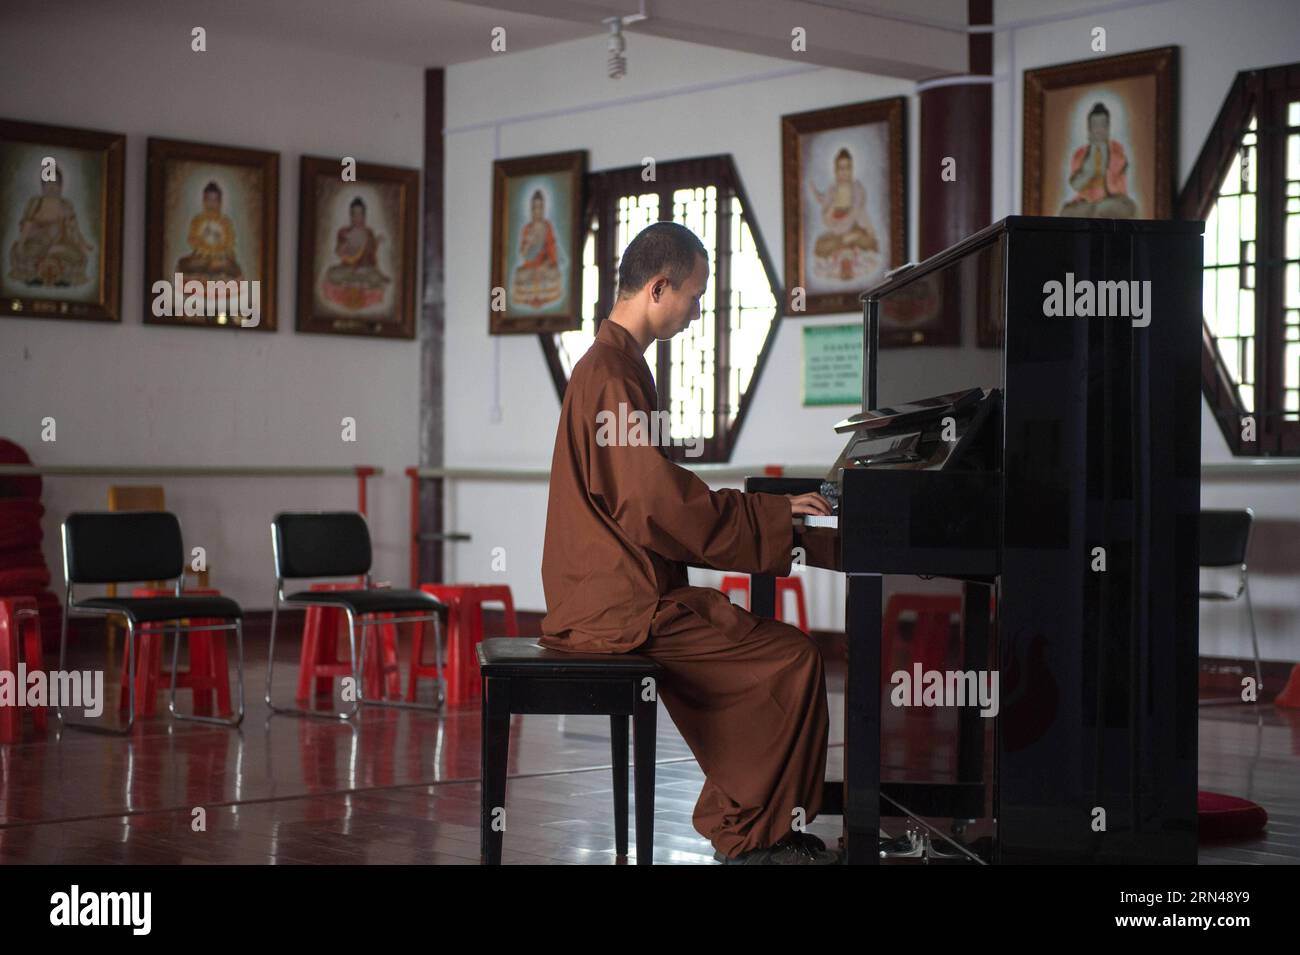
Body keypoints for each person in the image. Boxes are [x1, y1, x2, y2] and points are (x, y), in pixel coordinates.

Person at [539, 220, 839, 864]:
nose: (698, 312)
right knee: (792, 659)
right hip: (618, 611)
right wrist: (775, 516)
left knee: (776, 655)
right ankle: (751, 835)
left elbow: (658, 497)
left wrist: (774, 518)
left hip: (619, 597)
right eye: (695, 296)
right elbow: (658, 504)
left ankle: (751, 821)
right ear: (658, 287)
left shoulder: (613, 367)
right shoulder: (613, 375)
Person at [8, 169, 93, 287]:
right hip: (36, 245)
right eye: (48, 183)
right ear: (42, 186)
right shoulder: (35, 203)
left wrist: (82, 243)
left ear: (61, 186)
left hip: (61, 244)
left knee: (80, 257)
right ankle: (48, 257)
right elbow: (27, 226)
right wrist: (22, 244)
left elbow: (74, 228)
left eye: (55, 184)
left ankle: (56, 252)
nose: (52, 188)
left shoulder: (65, 204)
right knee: (18, 253)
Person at [1059, 102, 1138, 218]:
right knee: (1066, 213)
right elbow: (1076, 185)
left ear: (1108, 128)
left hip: (1112, 200)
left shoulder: (1116, 150)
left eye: (1103, 125)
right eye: (1095, 125)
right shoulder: (1080, 154)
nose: (1099, 130)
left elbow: (1118, 171)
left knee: (1114, 208)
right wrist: (1089, 168)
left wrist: (1102, 151)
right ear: (1089, 129)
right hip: (1086, 203)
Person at [322, 197, 389, 309]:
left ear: (364, 216)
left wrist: (375, 242)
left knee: (375, 276)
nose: (357, 218)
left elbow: (372, 255)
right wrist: (343, 247)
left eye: (360, 215)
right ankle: (359, 283)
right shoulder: (344, 232)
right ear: (351, 216)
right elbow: (340, 252)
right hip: (348, 269)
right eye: (354, 214)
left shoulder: (368, 233)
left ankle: (355, 282)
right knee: (332, 273)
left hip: (365, 270)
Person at [176, 180, 242, 280]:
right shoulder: (197, 220)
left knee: (229, 266)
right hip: (201, 258)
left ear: (220, 202)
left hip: (221, 259)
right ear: (204, 201)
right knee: (184, 263)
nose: (211, 204)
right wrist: (203, 249)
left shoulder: (225, 222)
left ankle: (213, 271)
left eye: (215, 200)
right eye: (209, 200)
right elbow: (192, 240)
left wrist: (220, 252)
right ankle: (211, 272)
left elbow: (229, 242)